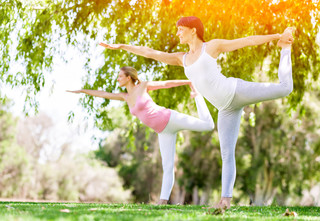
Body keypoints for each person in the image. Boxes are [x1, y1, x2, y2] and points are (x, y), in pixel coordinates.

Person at [99, 16, 294, 208]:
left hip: (235, 91)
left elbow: (247, 41)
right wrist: (123, 46)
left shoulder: (211, 47)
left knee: (285, 88)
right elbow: (151, 53)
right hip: (225, 109)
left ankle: (285, 47)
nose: (177, 33)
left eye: (180, 29)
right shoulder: (181, 58)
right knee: (227, 154)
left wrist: (278, 36)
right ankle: (225, 200)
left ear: (193, 30)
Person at [67, 66, 214, 204]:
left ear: (129, 77)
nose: (117, 79)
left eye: (120, 76)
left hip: (169, 118)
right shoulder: (125, 97)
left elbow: (166, 84)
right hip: (163, 131)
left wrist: (189, 82)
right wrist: (82, 91)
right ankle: (162, 202)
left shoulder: (143, 86)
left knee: (208, 126)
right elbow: (104, 94)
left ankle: (198, 96)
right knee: (167, 167)